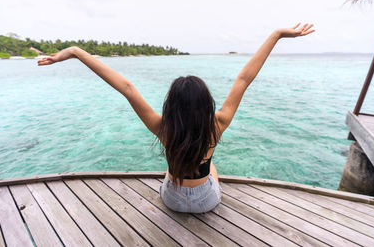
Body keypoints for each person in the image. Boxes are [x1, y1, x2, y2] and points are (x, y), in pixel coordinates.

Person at [38, 23, 314, 213]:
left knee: (174, 167)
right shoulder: (217, 125)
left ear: (172, 106)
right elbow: (244, 79)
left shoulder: (162, 128)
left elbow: (125, 87)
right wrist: (277, 34)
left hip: (171, 199)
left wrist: (75, 52)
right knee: (212, 167)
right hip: (207, 201)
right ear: (206, 104)